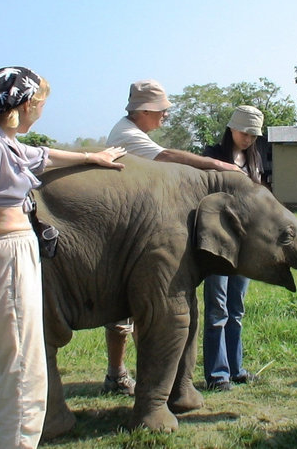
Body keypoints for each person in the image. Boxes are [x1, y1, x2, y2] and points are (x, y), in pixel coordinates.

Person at [0, 66, 127, 448]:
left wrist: (91, 157)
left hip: (16, 251)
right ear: (27, 104)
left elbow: (44, 156)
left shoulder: (4, 141)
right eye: (42, 104)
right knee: (22, 372)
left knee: (0, 368)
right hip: (5, 256)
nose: (43, 112)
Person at [102, 79, 242, 395]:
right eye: (162, 111)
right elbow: (167, 158)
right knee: (137, 311)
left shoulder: (130, 131)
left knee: (128, 313)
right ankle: (134, 379)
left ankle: (122, 375)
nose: (165, 116)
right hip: (123, 233)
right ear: (146, 110)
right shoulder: (127, 134)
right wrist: (217, 167)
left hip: (125, 229)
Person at [202, 105, 266, 391]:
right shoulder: (211, 156)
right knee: (217, 309)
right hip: (217, 242)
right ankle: (217, 375)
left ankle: (237, 369)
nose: (249, 138)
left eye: (254, 134)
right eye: (244, 132)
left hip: (245, 244)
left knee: (236, 308)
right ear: (231, 129)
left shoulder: (255, 160)